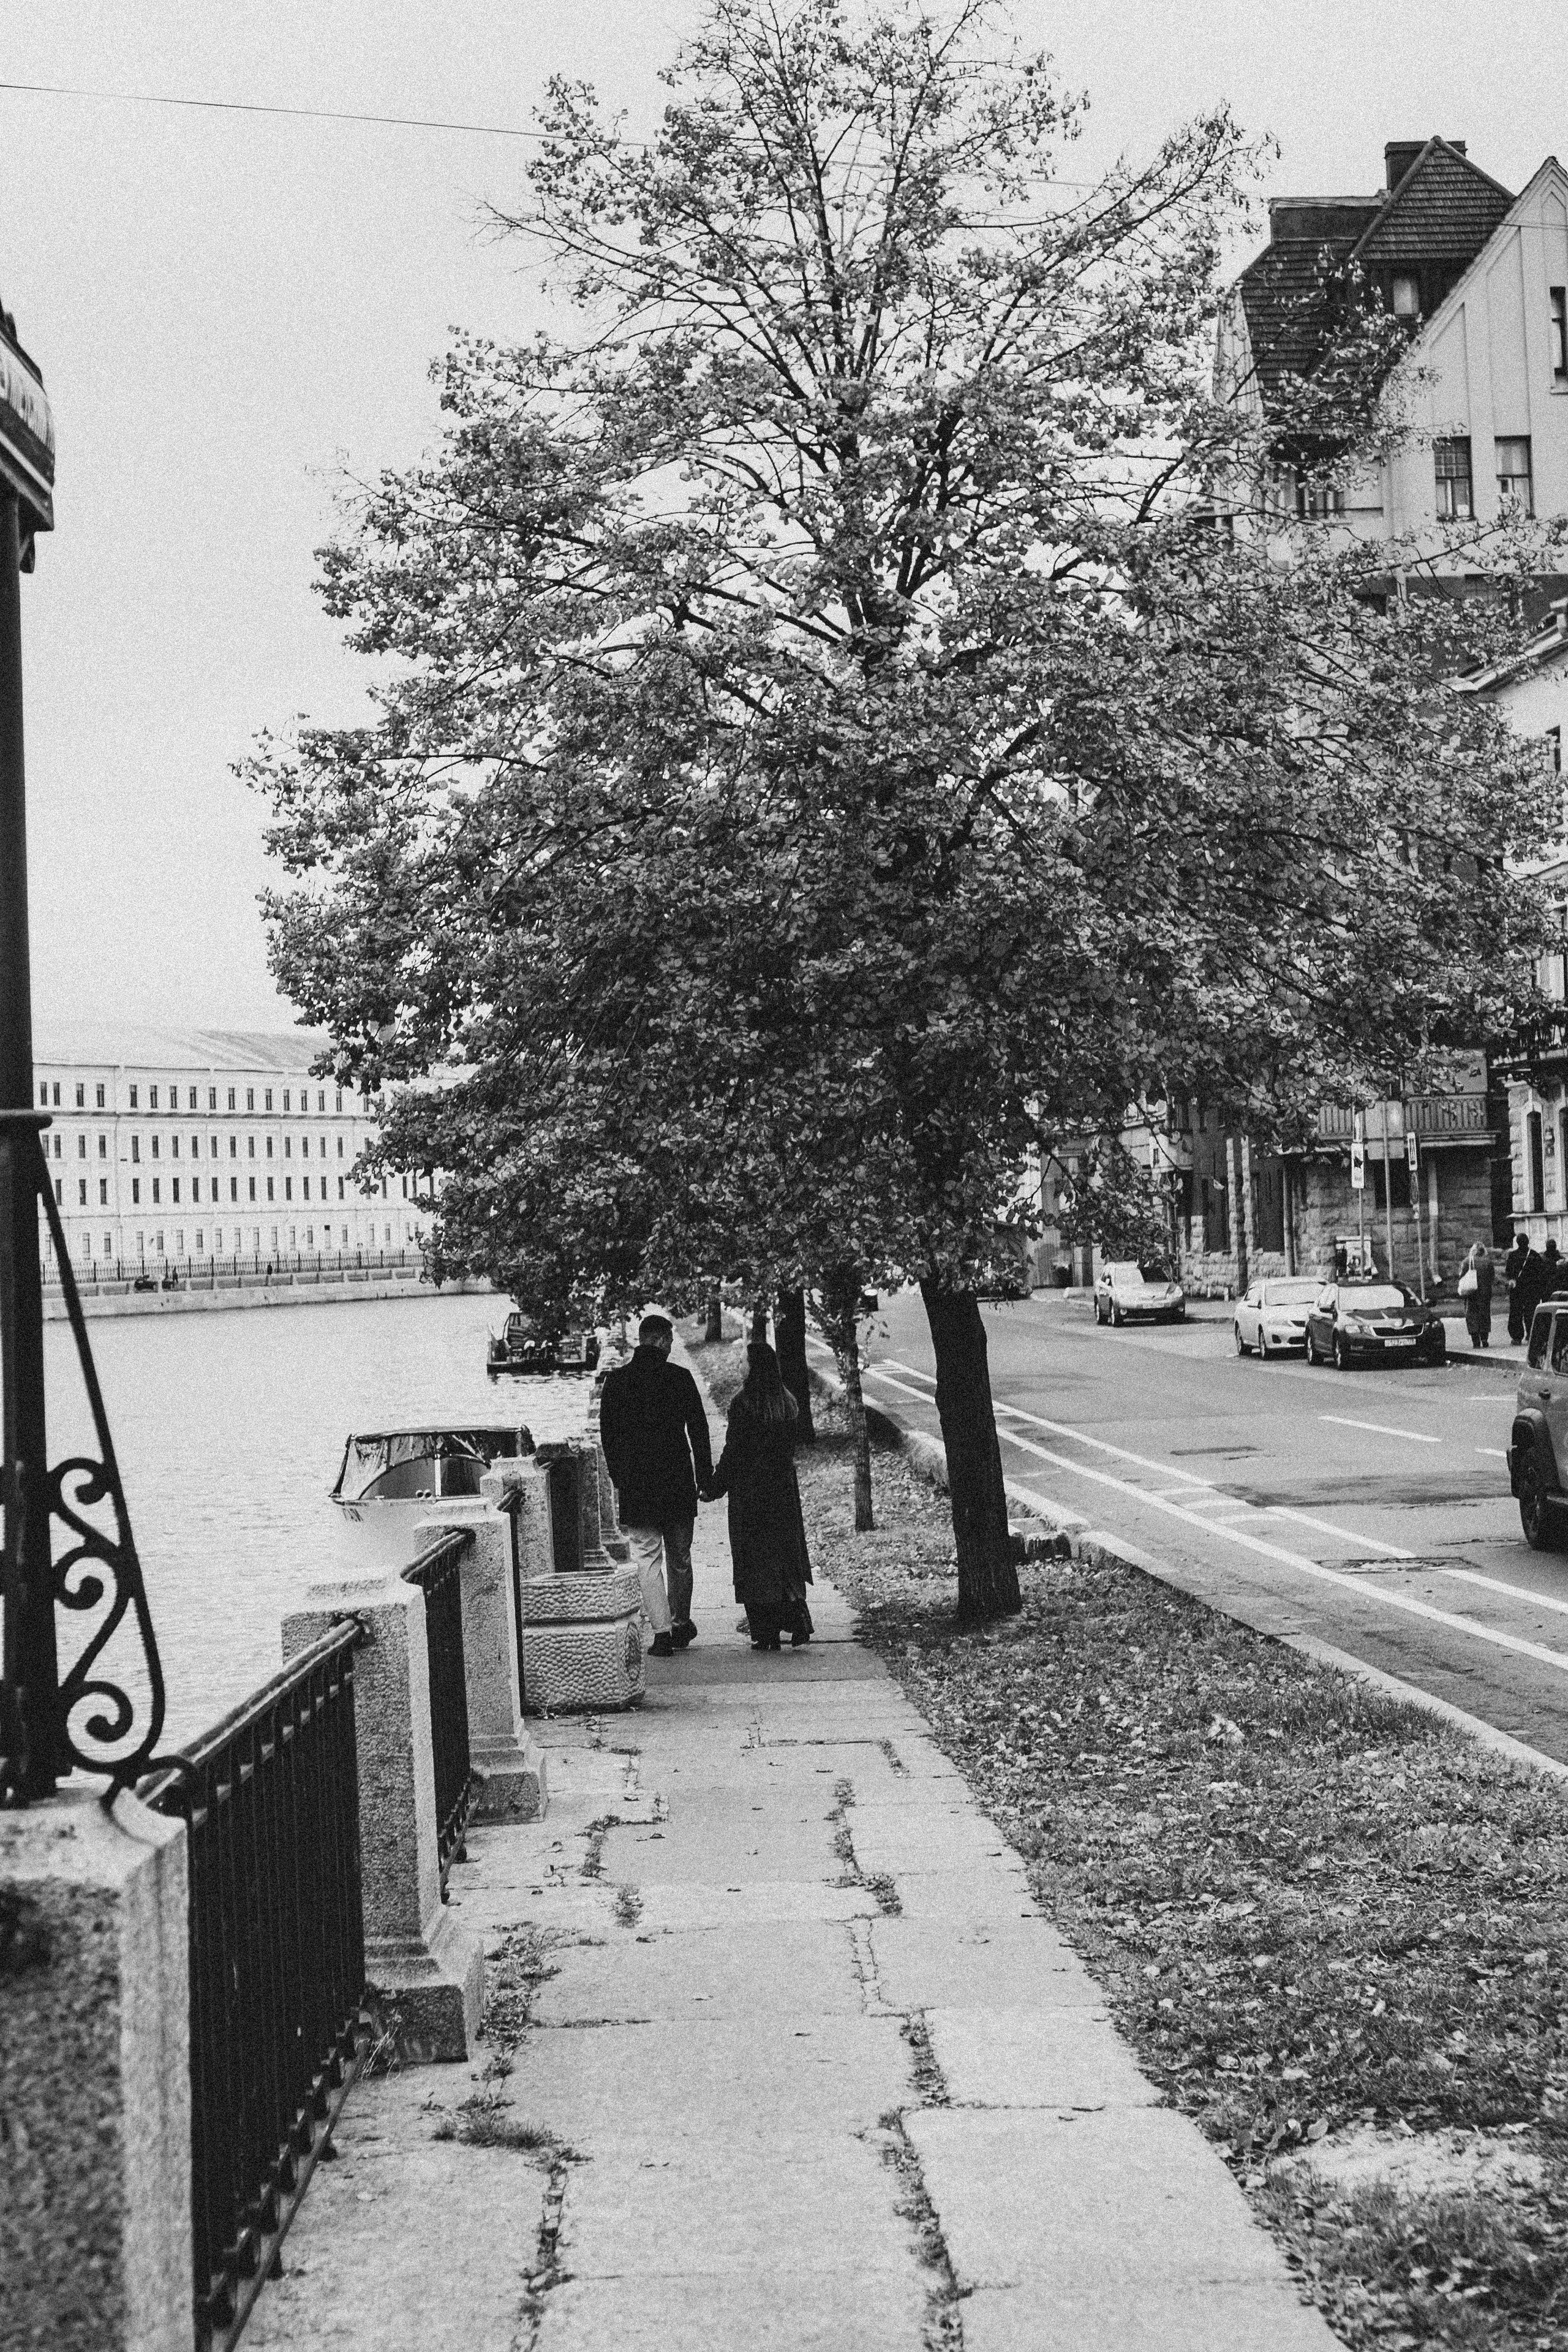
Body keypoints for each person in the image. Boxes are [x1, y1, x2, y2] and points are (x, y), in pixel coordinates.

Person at [600, 1311, 712, 1659]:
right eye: (672, 1339)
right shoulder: (679, 1378)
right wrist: (705, 1478)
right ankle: (680, 1622)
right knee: (680, 1557)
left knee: (647, 1560)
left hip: (638, 1487)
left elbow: (609, 1438)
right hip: (676, 1483)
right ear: (662, 1340)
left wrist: (620, 1479)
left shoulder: (617, 1382)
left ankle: (661, 1633)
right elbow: (699, 1431)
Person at [707, 1343, 814, 1651]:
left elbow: (734, 1453)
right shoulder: (788, 1402)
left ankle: (766, 1632)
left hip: (750, 1492)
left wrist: (715, 1488)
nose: (739, 1365)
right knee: (783, 1556)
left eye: (742, 1361)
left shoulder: (744, 1404)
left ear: (754, 1366)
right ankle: (796, 1619)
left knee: (753, 1560)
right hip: (782, 1489)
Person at [1461, 1241, 1493, 1351]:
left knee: (1472, 1316)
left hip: (1471, 1293)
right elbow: (1492, 1277)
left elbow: (1461, 1276)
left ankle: (1476, 1341)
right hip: (1485, 1294)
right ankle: (1484, 1339)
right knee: (1484, 1315)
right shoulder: (1488, 1262)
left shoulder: (1467, 1262)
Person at [1505, 1231, 1531, 1343]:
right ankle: (1531, 1334)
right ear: (1528, 1242)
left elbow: (1508, 1272)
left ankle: (1517, 1336)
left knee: (1516, 1313)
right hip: (1531, 1289)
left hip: (1517, 1289)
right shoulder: (1534, 1255)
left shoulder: (1513, 1255)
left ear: (1517, 1243)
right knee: (1530, 1312)